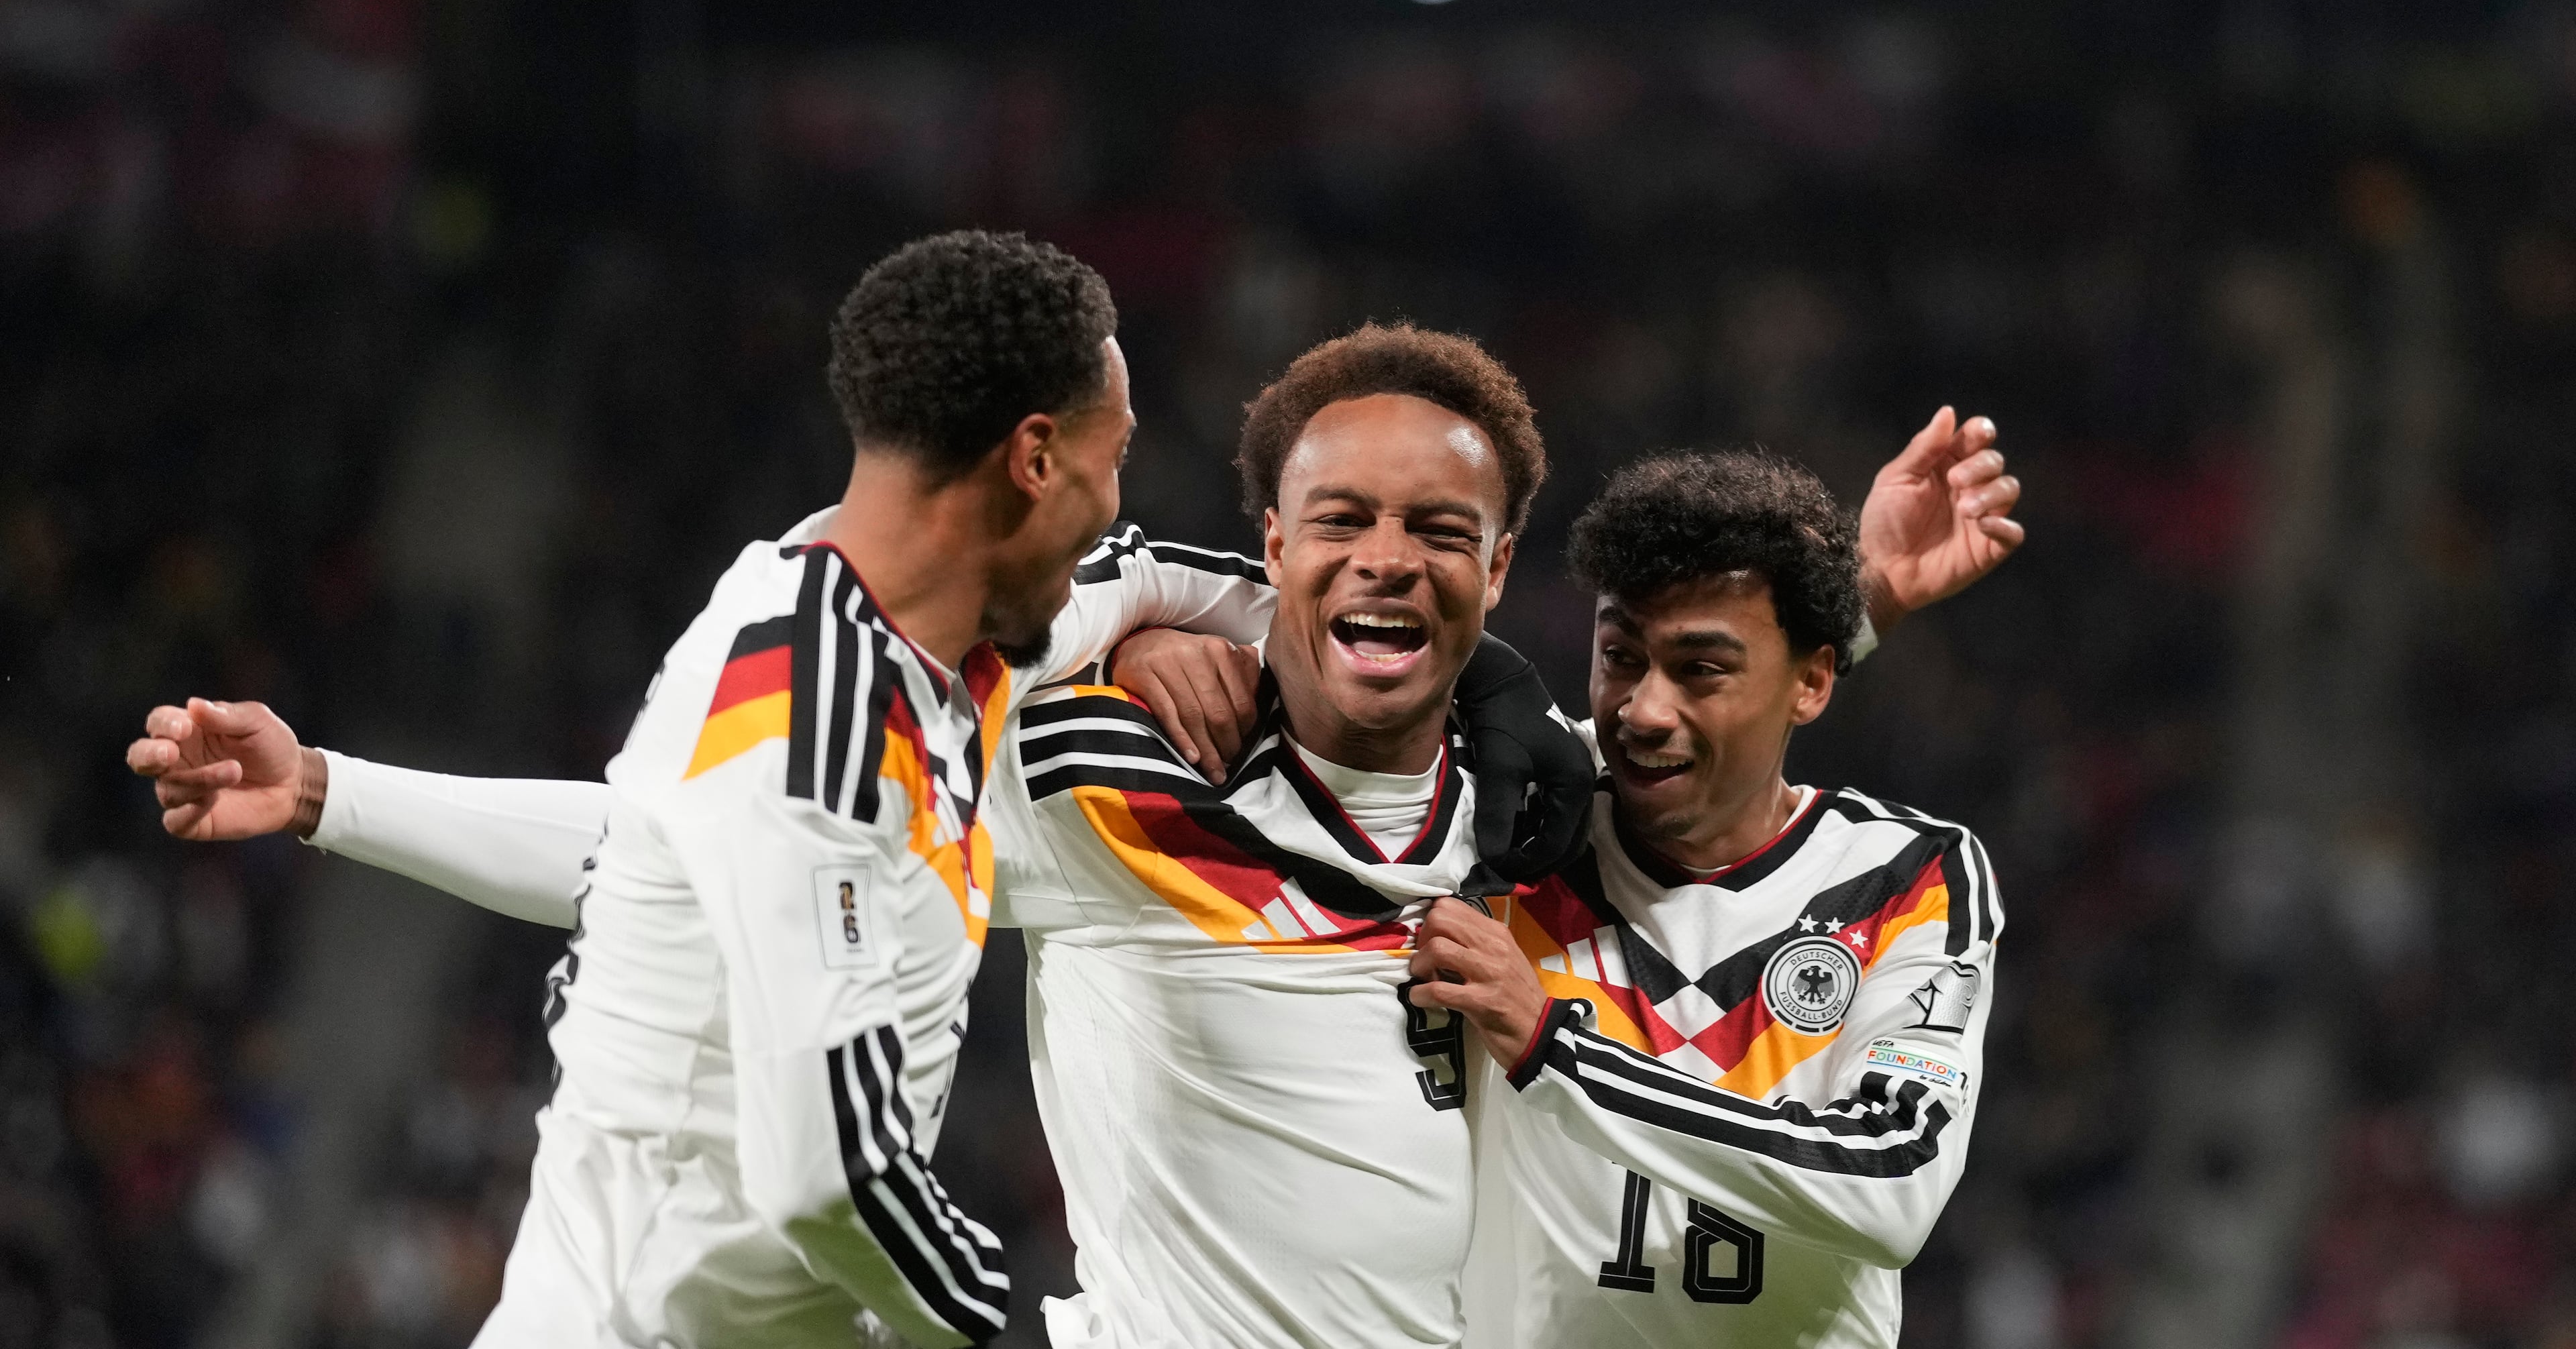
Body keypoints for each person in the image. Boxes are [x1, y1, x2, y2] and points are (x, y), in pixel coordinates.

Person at [132, 330, 2021, 1346]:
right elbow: (696, 854)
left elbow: (1712, 745)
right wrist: (330, 796)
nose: (1387, 560)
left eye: (1438, 533)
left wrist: (1840, 599)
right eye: (1336, 521)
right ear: (1265, 550)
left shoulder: (1541, 840)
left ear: (1496, 572)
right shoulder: (1109, 788)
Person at [1405, 450, 2001, 1348]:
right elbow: (1328, 658)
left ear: (1814, 682)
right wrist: (1154, 624)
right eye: (1621, 658)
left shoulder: (1905, 875)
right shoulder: (1519, 827)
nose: (1642, 708)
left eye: (1700, 669)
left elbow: (1890, 1185)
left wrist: (1552, 1050)